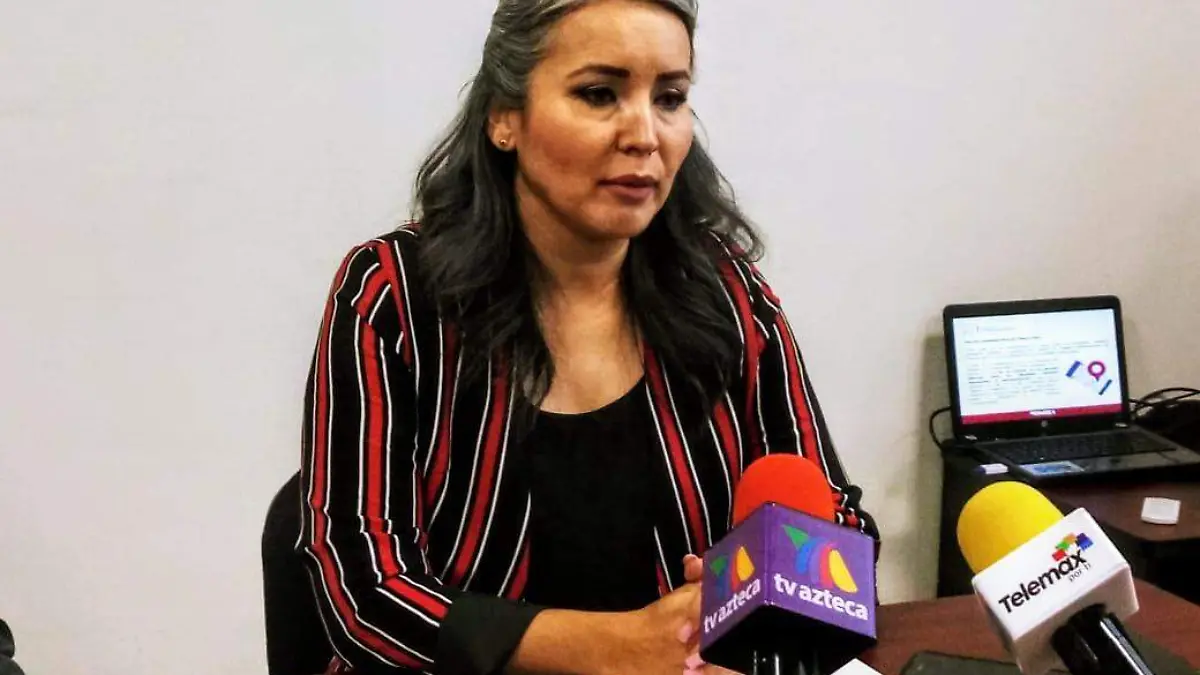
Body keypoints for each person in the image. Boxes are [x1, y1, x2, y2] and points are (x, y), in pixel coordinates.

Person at [297, 1, 878, 673]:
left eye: (669, 98)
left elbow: (838, 531)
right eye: (600, 94)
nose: (645, 135)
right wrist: (618, 648)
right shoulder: (391, 294)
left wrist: (739, 615)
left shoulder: (727, 290)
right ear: (505, 117)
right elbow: (363, 593)